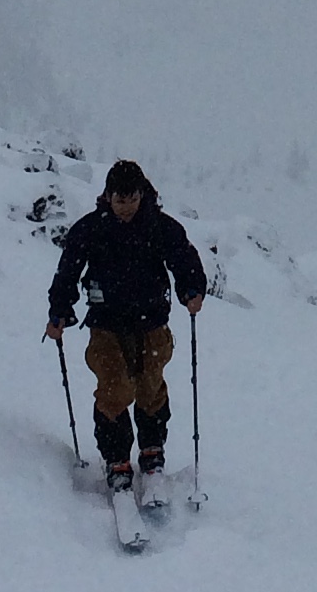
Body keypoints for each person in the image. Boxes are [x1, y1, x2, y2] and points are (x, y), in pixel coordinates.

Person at [44, 160, 207, 492]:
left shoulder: (161, 227)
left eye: (133, 199)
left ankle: (152, 450)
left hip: (153, 323)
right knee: (114, 389)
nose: (127, 207)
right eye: (120, 200)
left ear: (143, 195)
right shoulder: (91, 229)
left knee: (150, 387)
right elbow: (68, 272)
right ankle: (116, 458)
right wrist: (59, 312)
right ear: (108, 197)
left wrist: (192, 290)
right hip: (106, 324)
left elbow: (184, 259)